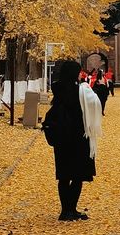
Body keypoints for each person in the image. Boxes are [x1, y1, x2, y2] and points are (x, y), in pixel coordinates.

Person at [42, 59, 102, 222]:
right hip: (78, 138)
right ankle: (71, 209)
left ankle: (65, 211)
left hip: (62, 139)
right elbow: (95, 103)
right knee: (77, 175)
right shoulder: (80, 91)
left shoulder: (59, 89)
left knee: (63, 176)